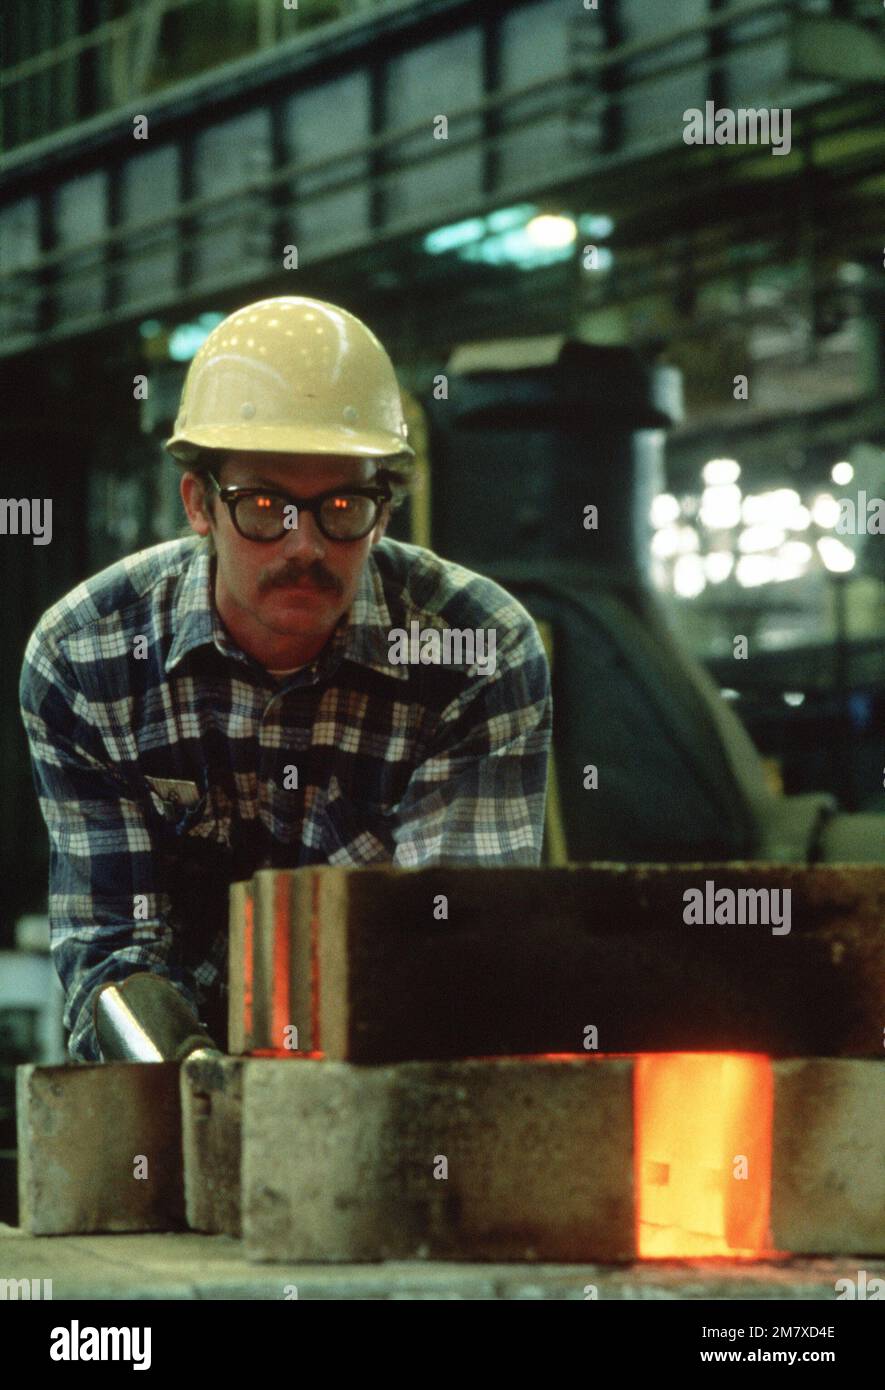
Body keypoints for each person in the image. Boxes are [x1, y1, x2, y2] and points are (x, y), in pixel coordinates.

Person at [19, 296, 552, 1063]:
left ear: (385, 511)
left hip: (385, 1078)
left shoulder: (476, 651)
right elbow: (113, 953)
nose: (305, 545)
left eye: (342, 505)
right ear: (198, 503)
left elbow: (457, 947)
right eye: (263, 505)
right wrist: (204, 1089)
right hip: (175, 1089)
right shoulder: (88, 659)